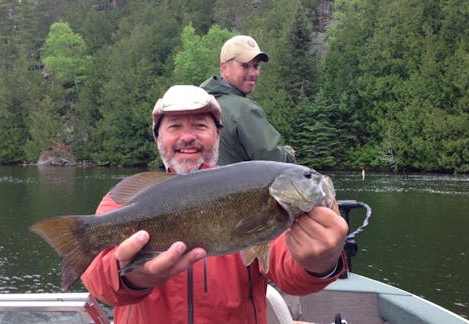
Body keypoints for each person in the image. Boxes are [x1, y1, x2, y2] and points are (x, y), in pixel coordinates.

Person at [81, 85, 348, 323]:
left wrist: (322, 261)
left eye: (200, 125)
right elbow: (97, 282)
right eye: (174, 126)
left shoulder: (259, 197)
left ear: (218, 135)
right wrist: (134, 277)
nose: (188, 137)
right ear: (158, 138)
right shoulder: (123, 200)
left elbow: (289, 273)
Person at [201, 35, 296, 166]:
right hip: (238, 186)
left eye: (256, 66)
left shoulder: (199, 103)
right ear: (224, 68)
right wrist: (288, 154)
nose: (253, 73)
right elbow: (275, 162)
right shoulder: (244, 109)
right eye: (245, 66)